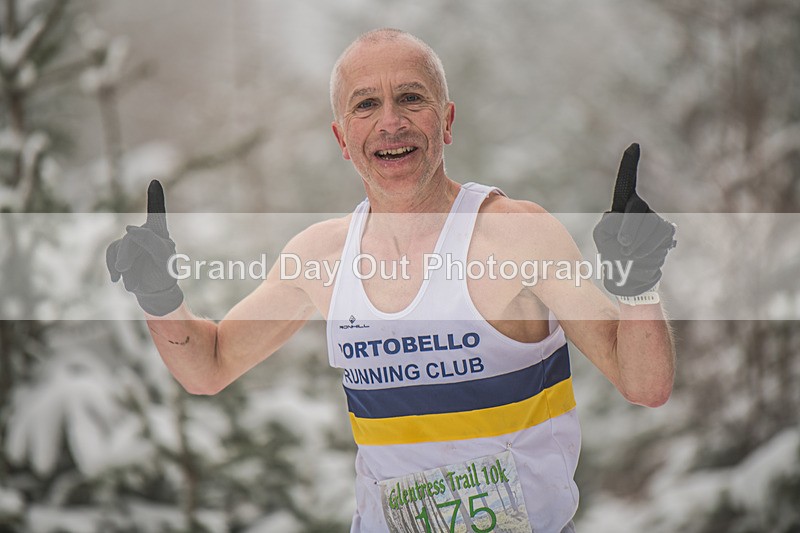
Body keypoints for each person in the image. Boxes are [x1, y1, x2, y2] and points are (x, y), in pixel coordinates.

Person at [106, 28, 676, 533]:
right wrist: (159, 296)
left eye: (410, 98)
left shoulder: (516, 235)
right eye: (366, 104)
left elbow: (644, 383)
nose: (390, 122)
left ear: (446, 121)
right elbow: (208, 366)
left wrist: (638, 285)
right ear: (342, 138)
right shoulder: (320, 257)